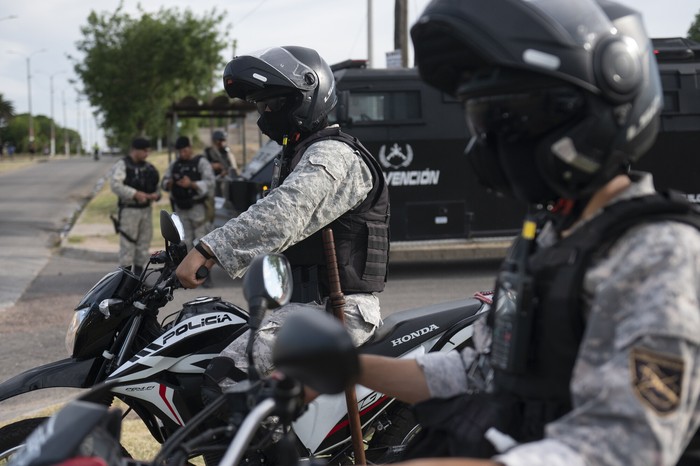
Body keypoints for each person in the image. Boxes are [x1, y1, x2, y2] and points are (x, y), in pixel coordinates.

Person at [353, 0, 700, 465]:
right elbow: (483, 371)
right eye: (483, 119)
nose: (495, 142)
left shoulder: (658, 253)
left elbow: (632, 446)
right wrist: (346, 370)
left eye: (513, 115)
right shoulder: (549, 237)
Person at [175, 45, 390, 390]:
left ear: (307, 97)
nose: (265, 114)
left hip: (339, 312)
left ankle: (273, 444)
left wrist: (208, 250)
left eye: (273, 103)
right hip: (306, 309)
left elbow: (283, 214)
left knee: (226, 380)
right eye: (260, 105)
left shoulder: (333, 154)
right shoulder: (297, 154)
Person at [109, 137, 160, 276]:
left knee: (143, 245)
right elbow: (115, 184)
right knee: (127, 247)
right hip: (129, 210)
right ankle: (124, 280)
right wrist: (134, 194)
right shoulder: (123, 165)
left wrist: (155, 195)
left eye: (148, 151)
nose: (147, 154)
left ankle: (138, 279)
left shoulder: (148, 167)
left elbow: (156, 186)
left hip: (146, 210)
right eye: (144, 150)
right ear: (135, 150)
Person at [161, 135, 216, 253]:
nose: (182, 154)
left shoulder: (201, 162)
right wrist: (169, 183)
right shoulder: (175, 164)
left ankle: (203, 269)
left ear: (190, 148)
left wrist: (191, 184)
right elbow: (164, 182)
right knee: (187, 240)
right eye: (179, 151)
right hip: (181, 208)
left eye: (184, 150)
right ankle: (191, 268)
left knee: (202, 241)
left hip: (199, 208)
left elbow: (210, 183)